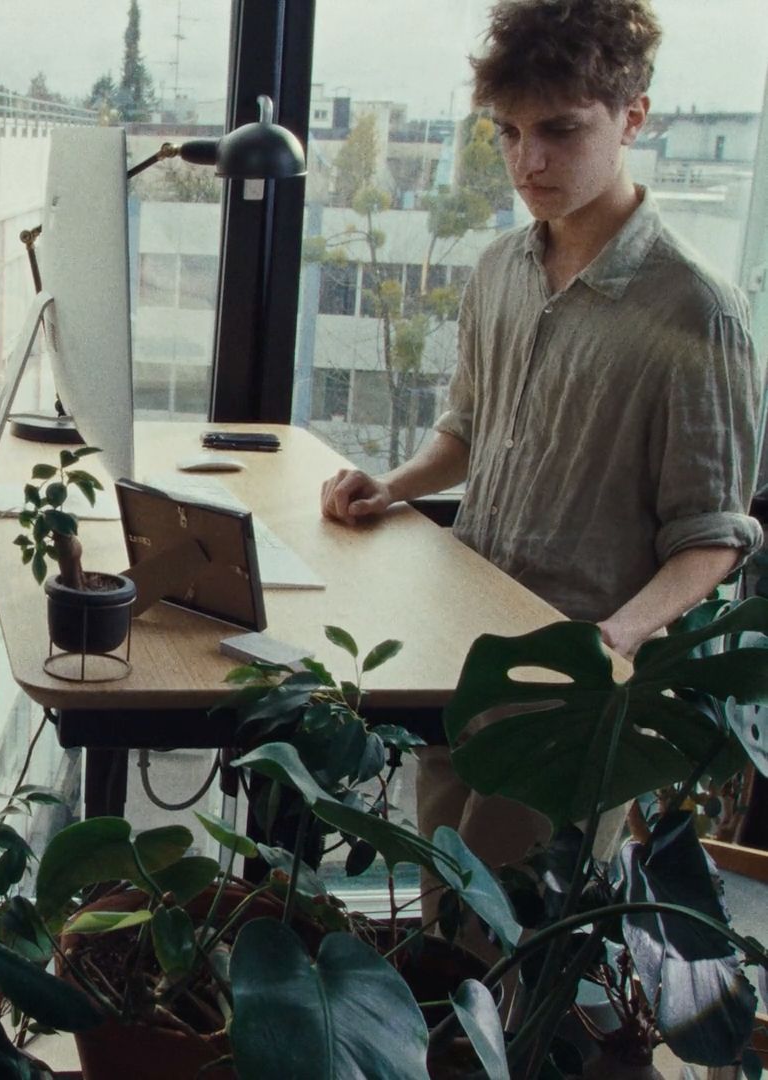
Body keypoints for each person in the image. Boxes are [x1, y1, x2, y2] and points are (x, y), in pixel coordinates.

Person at [319, 0, 764, 932]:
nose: (528, 162)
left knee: (503, 935)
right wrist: (390, 486)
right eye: (510, 134)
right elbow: (469, 433)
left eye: (561, 131)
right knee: (444, 910)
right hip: (462, 652)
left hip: (572, 692)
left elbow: (712, 538)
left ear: (633, 119)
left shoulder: (697, 311)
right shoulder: (498, 270)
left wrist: (615, 639)